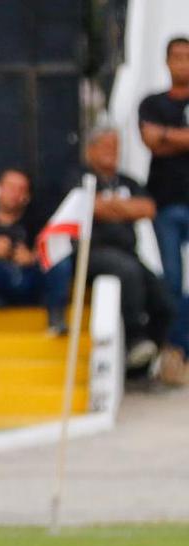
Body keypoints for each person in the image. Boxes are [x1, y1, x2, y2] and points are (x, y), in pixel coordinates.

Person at [56, 127, 174, 374]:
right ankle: (134, 337)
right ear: (90, 150)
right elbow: (87, 206)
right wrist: (122, 207)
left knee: (165, 300)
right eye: (106, 146)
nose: (113, 152)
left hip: (128, 252)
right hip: (90, 254)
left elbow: (147, 208)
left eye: (116, 147)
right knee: (127, 270)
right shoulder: (77, 176)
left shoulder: (127, 180)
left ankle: (140, 364)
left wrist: (107, 205)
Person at [0, 168, 72, 336]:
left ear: (27, 196)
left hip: (32, 283)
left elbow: (59, 243)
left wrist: (32, 257)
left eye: (21, 189)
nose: (15, 193)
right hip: (0, 286)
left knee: (59, 259)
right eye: (10, 187)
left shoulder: (38, 216)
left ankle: (57, 318)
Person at [139, 36, 189, 385]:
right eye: (177, 56)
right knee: (171, 279)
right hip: (167, 203)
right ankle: (175, 349)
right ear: (166, 61)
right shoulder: (152, 102)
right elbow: (150, 139)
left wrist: (169, 138)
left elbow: (161, 139)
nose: (182, 62)